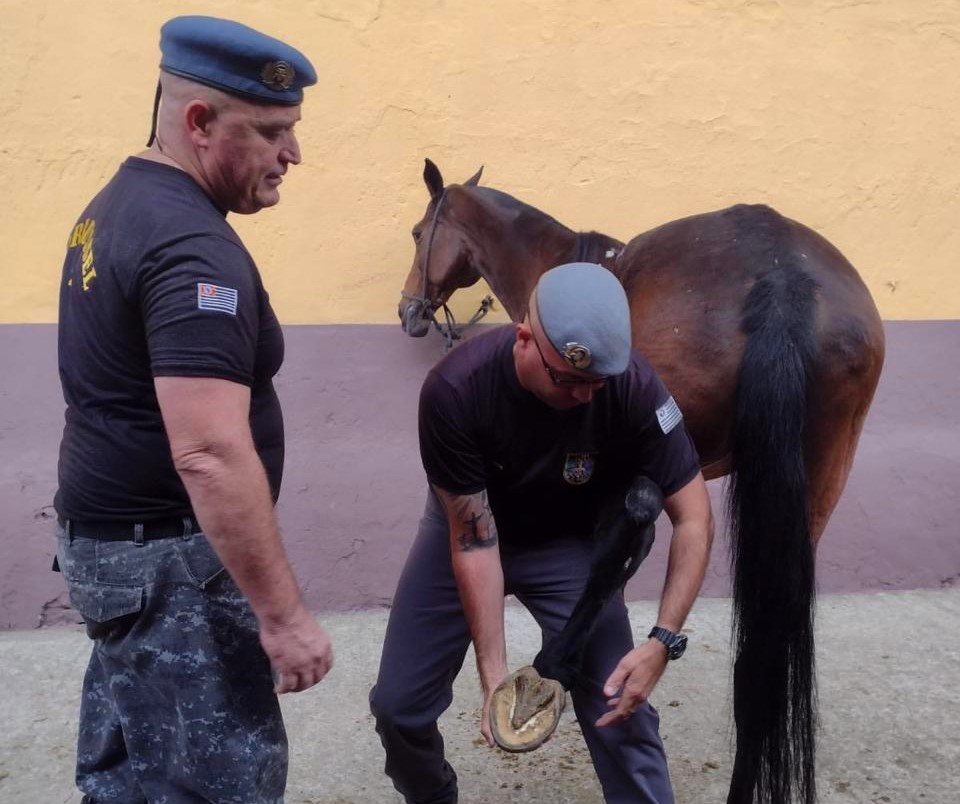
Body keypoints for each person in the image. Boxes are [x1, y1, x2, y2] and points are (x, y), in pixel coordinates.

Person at [53, 16, 332, 803]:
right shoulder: (190, 246)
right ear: (199, 123)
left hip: (120, 555)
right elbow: (208, 451)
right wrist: (283, 618)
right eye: (273, 131)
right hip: (170, 569)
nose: (293, 155)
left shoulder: (114, 207)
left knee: (130, 774)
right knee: (216, 784)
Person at [370, 262, 714, 803]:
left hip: (568, 542)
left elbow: (694, 515)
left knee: (620, 705)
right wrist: (494, 675)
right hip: (467, 533)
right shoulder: (455, 390)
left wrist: (663, 640)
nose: (584, 396)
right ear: (523, 338)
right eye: (569, 380)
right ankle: (433, 794)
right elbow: (474, 542)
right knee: (398, 708)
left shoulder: (633, 386)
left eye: (595, 383)